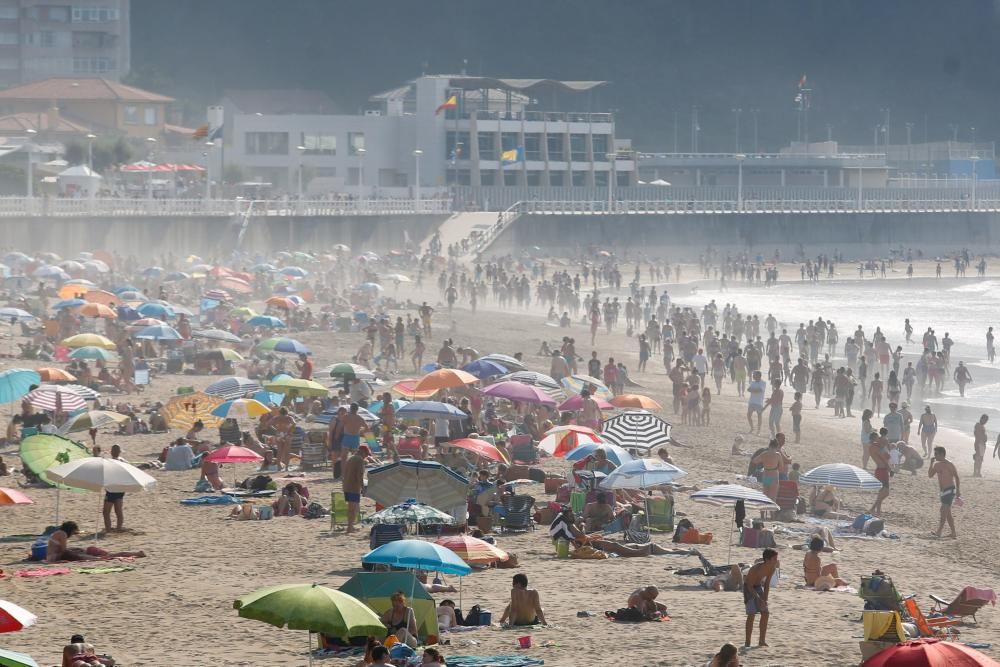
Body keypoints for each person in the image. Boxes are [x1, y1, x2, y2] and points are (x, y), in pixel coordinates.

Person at [744, 548, 779, 648]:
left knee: (765, 613)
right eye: (774, 559)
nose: (776, 561)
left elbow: (767, 584)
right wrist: (758, 598)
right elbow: (750, 586)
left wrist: (765, 599)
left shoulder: (772, 568)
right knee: (751, 614)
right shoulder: (755, 569)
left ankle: (762, 641)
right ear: (767, 560)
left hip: (758, 587)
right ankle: (747, 642)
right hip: (749, 588)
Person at [928, 446, 960, 538]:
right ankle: (953, 533)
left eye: (936, 454)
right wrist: (931, 463)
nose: (935, 456)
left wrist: (958, 490)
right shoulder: (937, 465)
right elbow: (930, 475)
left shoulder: (949, 464)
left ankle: (939, 532)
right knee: (947, 513)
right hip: (942, 492)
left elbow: (957, 477)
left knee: (943, 510)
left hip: (950, 490)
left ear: (942, 454)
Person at [342, 444, 368, 533]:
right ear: (363, 453)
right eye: (366, 455)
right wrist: (363, 488)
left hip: (346, 486)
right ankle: (349, 528)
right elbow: (359, 476)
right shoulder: (359, 460)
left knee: (351, 508)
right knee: (353, 509)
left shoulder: (350, 458)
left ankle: (350, 526)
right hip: (353, 487)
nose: (366, 457)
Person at [868, 432, 890, 515]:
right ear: (875, 438)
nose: (879, 438)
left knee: (881, 492)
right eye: (878, 437)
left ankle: (878, 512)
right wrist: (889, 468)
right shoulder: (875, 448)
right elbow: (884, 458)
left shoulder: (872, 447)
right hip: (882, 470)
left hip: (879, 470)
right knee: (886, 492)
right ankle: (873, 508)